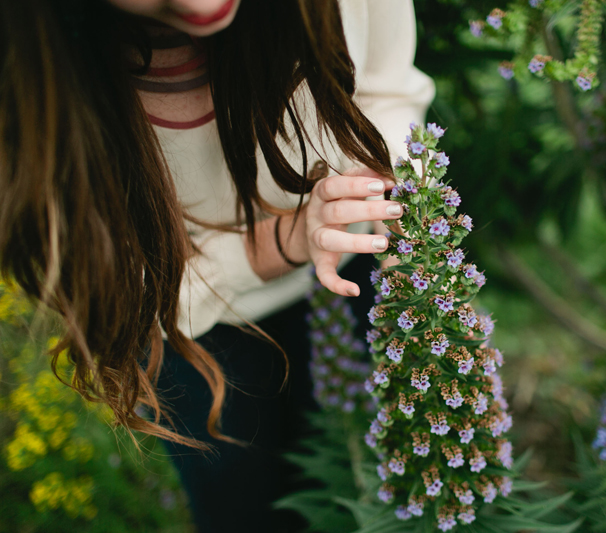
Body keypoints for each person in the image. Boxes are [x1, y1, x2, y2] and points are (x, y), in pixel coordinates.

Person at [0, 0, 434, 530]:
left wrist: (383, 191)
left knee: (392, 475)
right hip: (194, 332)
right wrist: (286, 241)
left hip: (358, 271)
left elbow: (389, 88)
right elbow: (107, 280)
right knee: (246, 507)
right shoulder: (26, 79)